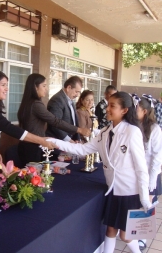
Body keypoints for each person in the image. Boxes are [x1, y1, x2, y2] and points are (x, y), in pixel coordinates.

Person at [47, 92, 152, 253]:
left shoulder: (132, 132)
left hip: (129, 192)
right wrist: (53, 142)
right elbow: (81, 149)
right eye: (108, 104)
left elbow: (141, 167)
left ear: (124, 110)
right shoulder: (104, 132)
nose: (107, 109)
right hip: (113, 189)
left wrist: (144, 197)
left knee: (126, 235)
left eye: (112, 106)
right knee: (110, 230)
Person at [17, 73, 91, 166]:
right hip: (32, 147)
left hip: (30, 145)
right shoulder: (36, 104)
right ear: (35, 87)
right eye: (44, 86)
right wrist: (79, 130)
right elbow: (55, 121)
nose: (46, 89)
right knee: (34, 176)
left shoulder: (29, 102)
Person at [134, 94, 162, 251]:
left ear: (144, 111)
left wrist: (152, 181)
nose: (133, 110)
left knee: (147, 204)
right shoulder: (135, 126)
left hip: (150, 174)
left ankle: (142, 237)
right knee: (137, 203)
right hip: (137, 173)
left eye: (136, 108)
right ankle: (134, 231)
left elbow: (157, 158)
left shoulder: (155, 129)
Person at [46, 76, 83, 143]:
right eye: (76, 92)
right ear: (69, 88)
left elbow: (74, 122)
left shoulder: (70, 99)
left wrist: (77, 138)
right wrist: (68, 140)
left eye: (79, 92)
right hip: (57, 142)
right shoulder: (57, 100)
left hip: (70, 141)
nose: (77, 95)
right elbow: (55, 124)